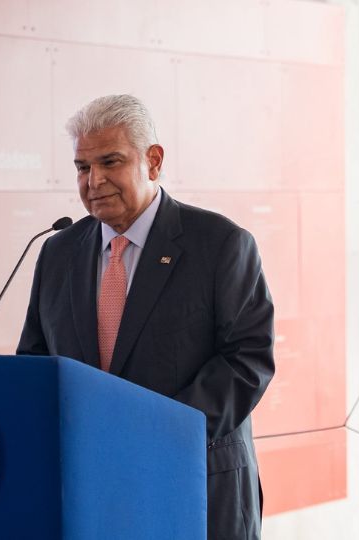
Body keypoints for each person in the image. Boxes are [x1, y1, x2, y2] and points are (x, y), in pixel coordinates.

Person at [17, 94, 275, 540]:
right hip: (88, 495)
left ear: (153, 161)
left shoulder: (220, 244)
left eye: (110, 162)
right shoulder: (57, 252)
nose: (94, 180)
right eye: (82, 167)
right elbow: (36, 363)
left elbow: (247, 361)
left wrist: (154, 433)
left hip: (195, 486)